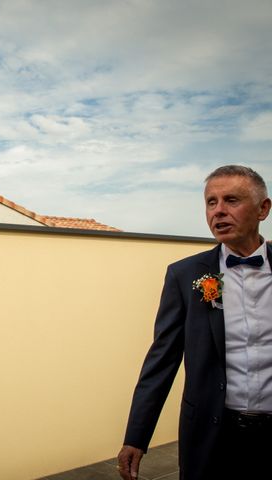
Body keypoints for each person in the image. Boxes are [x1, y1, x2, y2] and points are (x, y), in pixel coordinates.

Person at [118, 165, 272, 480]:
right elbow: (162, 359)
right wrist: (136, 435)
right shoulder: (185, 275)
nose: (219, 211)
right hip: (211, 435)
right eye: (211, 202)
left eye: (231, 200)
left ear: (263, 209)